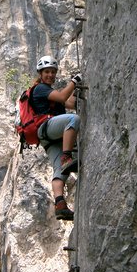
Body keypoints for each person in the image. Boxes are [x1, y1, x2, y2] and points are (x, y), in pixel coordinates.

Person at [32, 55, 81, 221]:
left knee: (60, 171)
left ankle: (60, 205)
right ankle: (67, 156)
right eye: (47, 72)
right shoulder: (40, 89)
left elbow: (70, 103)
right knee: (73, 119)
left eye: (53, 72)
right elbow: (62, 98)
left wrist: (76, 89)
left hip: (48, 137)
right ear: (41, 73)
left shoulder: (50, 93)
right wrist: (75, 81)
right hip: (46, 128)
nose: (50, 75)